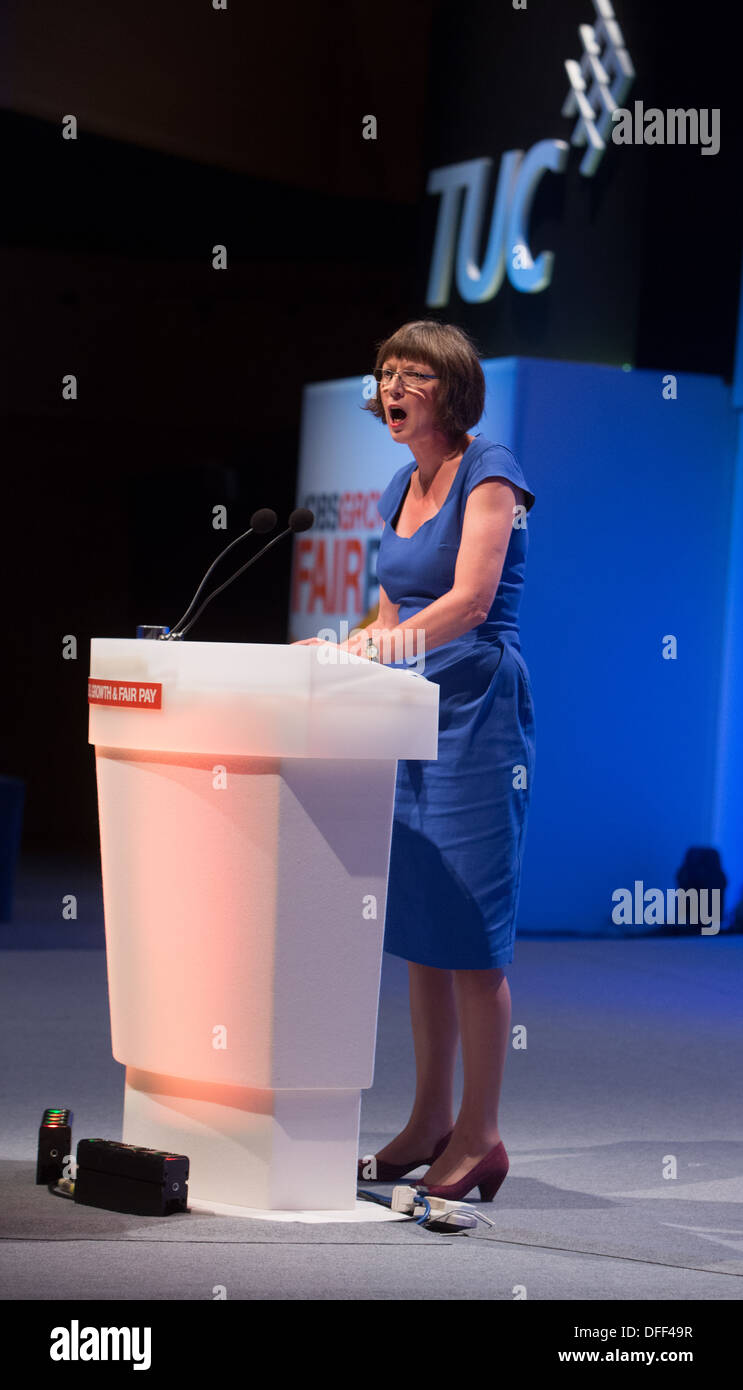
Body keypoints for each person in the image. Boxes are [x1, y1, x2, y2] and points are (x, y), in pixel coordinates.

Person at [299, 320, 536, 1203]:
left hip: (475, 708)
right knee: (425, 933)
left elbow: (469, 600)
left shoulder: (494, 469)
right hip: (406, 709)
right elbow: (393, 603)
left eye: (411, 376)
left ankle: (480, 1136)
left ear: (451, 390)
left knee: (472, 935)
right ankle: (428, 1119)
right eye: (384, 374)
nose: (390, 388)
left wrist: (379, 649)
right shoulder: (402, 480)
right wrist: (328, 650)